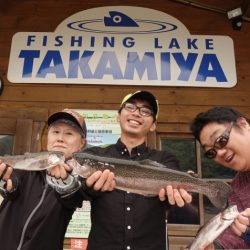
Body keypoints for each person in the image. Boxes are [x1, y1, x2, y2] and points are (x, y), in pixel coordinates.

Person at [50, 90, 195, 250]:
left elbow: (175, 195)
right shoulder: (93, 156)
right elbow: (70, 199)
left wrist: (173, 196)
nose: (137, 113)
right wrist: (89, 189)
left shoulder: (165, 160)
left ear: (153, 125)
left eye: (145, 111)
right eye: (130, 107)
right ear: (118, 116)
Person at [0, 109, 87, 250]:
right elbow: (11, 185)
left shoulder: (81, 176)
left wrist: (64, 182)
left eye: (69, 133)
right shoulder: (29, 164)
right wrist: (5, 183)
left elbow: (72, 197)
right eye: (55, 132)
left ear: (82, 143)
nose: (60, 138)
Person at [190, 106, 250, 249]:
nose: (220, 153)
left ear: (243, 124)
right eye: (211, 152)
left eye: (221, 140)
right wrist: (213, 246)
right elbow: (232, 238)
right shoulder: (237, 187)